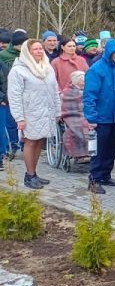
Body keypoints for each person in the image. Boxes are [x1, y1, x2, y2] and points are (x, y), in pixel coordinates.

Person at [7, 39, 61, 189]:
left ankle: (34, 173)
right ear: (27, 52)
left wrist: (57, 110)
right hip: (29, 113)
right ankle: (29, 175)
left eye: (40, 49)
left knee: (39, 141)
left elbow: (55, 91)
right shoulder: (18, 70)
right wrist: (19, 118)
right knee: (30, 142)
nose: (38, 51)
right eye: (35, 49)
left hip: (46, 112)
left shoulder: (47, 67)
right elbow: (14, 96)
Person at [83, 38, 115, 194]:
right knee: (99, 151)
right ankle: (94, 179)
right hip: (100, 118)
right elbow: (89, 95)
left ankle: (106, 175)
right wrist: (91, 118)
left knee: (110, 150)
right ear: (109, 52)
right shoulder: (96, 70)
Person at [1, 30, 27, 161]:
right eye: (21, 45)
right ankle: (13, 145)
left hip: (27, 93)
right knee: (11, 122)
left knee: (26, 120)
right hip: (10, 92)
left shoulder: (28, 55)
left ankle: (24, 144)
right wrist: (4, 95)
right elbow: (4, 77)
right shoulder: (3, 56)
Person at [60, 71, 89, 163]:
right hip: (71, 114)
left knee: (93, 126)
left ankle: (90, 152)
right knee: (79, 127)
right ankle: (80, 154)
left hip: (85, 113)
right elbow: (65, 106)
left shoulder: (87, 90)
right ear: (77, 81)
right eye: (82, 80)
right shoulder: (67, 92)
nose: (84, 82)